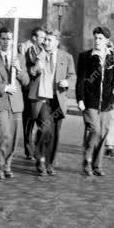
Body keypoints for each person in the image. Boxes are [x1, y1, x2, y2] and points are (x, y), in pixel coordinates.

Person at [76, 27, 114, 176]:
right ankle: (88, 160)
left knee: (103, 134)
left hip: (107, 103)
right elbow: (80, 80)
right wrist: (80, 99)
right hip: (90, 101)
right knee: (95, 130)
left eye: (100, 38)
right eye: (95, 38)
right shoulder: (85, 57)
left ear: (107, 41)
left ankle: (97, 165)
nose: (97, 41)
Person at [27, 30, 75, 176]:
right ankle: (40, 158)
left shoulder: (66, 57)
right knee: (46, 128)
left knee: (54, 133)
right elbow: (30, 73)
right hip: (43, 98)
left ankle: (49, 163)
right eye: (45, 40)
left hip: (58, 98)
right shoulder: (38, 55)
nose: (45, 42)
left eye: (49, 40)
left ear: (57, 42)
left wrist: (67, 82)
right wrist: (36, 68)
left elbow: (72, 75)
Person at [0, 27, 29, 179]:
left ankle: (7, 164)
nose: (6, 41)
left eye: (9, 39)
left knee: (14, 136)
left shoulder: (19, 58)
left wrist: (18, 71)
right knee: (3, 134)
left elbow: (26, 81)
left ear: (13, 40)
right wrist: (4, 87)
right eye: (3, 38)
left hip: (16, 102)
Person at [21, 27, 46, 160]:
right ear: (34, 37)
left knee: (40, 120)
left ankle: (35, 147)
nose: (44, 40)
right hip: (29, 88)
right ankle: (28, 148)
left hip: (41, 91)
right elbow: (26, 68)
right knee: (28, 120)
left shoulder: (43, 49)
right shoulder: (27, 48)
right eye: (42, 37)